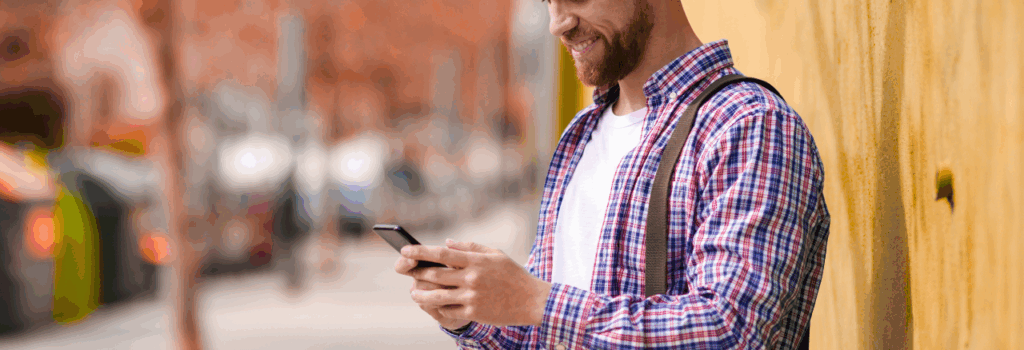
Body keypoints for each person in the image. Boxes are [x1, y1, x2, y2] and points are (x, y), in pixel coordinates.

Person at [394, 0, 830, 348]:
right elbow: (554, 332)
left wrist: (535, 301)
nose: (558, 23)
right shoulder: (581, 134)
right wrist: (476, 314)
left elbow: (732, 332)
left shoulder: (749, 125)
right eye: (548, 1)